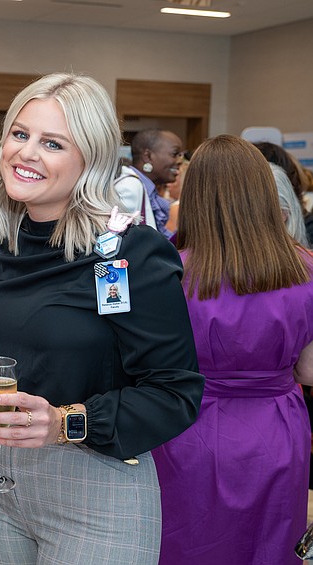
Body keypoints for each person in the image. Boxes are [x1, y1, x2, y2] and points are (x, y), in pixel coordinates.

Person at [0, 73, 204, 565]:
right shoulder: (5, 250)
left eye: (52, 142)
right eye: (20, 134)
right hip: (2, 487)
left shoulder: (126, 254)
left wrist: (66, 422)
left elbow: (175, 392)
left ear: (90, 158)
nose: (26, 153)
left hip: (96, 487)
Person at [151, 135, 313, 565]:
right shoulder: (304, 266)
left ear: (195, 194)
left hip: (187, 429)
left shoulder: (169, 269)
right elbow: (310, 370)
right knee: (269, 545)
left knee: (188, 545)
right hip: (276, 430)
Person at [115, 128, 184, 237]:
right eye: (175, 154)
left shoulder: (147, 190)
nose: (180, 161)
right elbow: (119, 240)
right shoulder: (129, 187)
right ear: (147, 156)